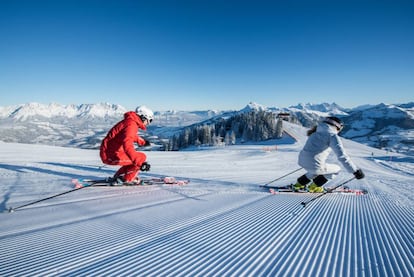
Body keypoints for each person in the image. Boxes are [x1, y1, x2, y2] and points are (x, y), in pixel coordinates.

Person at [293, 116, 365, 192]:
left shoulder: (315, 133)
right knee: (336, 169)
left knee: (316, 170)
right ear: (337, 127)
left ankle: (298, 184)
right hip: (314, 164)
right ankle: (314, 187)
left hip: (302, 160)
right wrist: (355, 171)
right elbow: (342, 156)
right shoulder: (332, 136)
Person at [100, 105, 154, 184]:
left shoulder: (129, 122)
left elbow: (130, 136)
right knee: (140, 158)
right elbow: (127, 144)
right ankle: (127, 179)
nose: (148, 123)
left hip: (110, 152)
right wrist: (139, 162)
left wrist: (143, 142)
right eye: (149, 120)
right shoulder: (131, 125)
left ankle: (120, 176)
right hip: (111, 155)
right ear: (143, 117)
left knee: (135, 158)